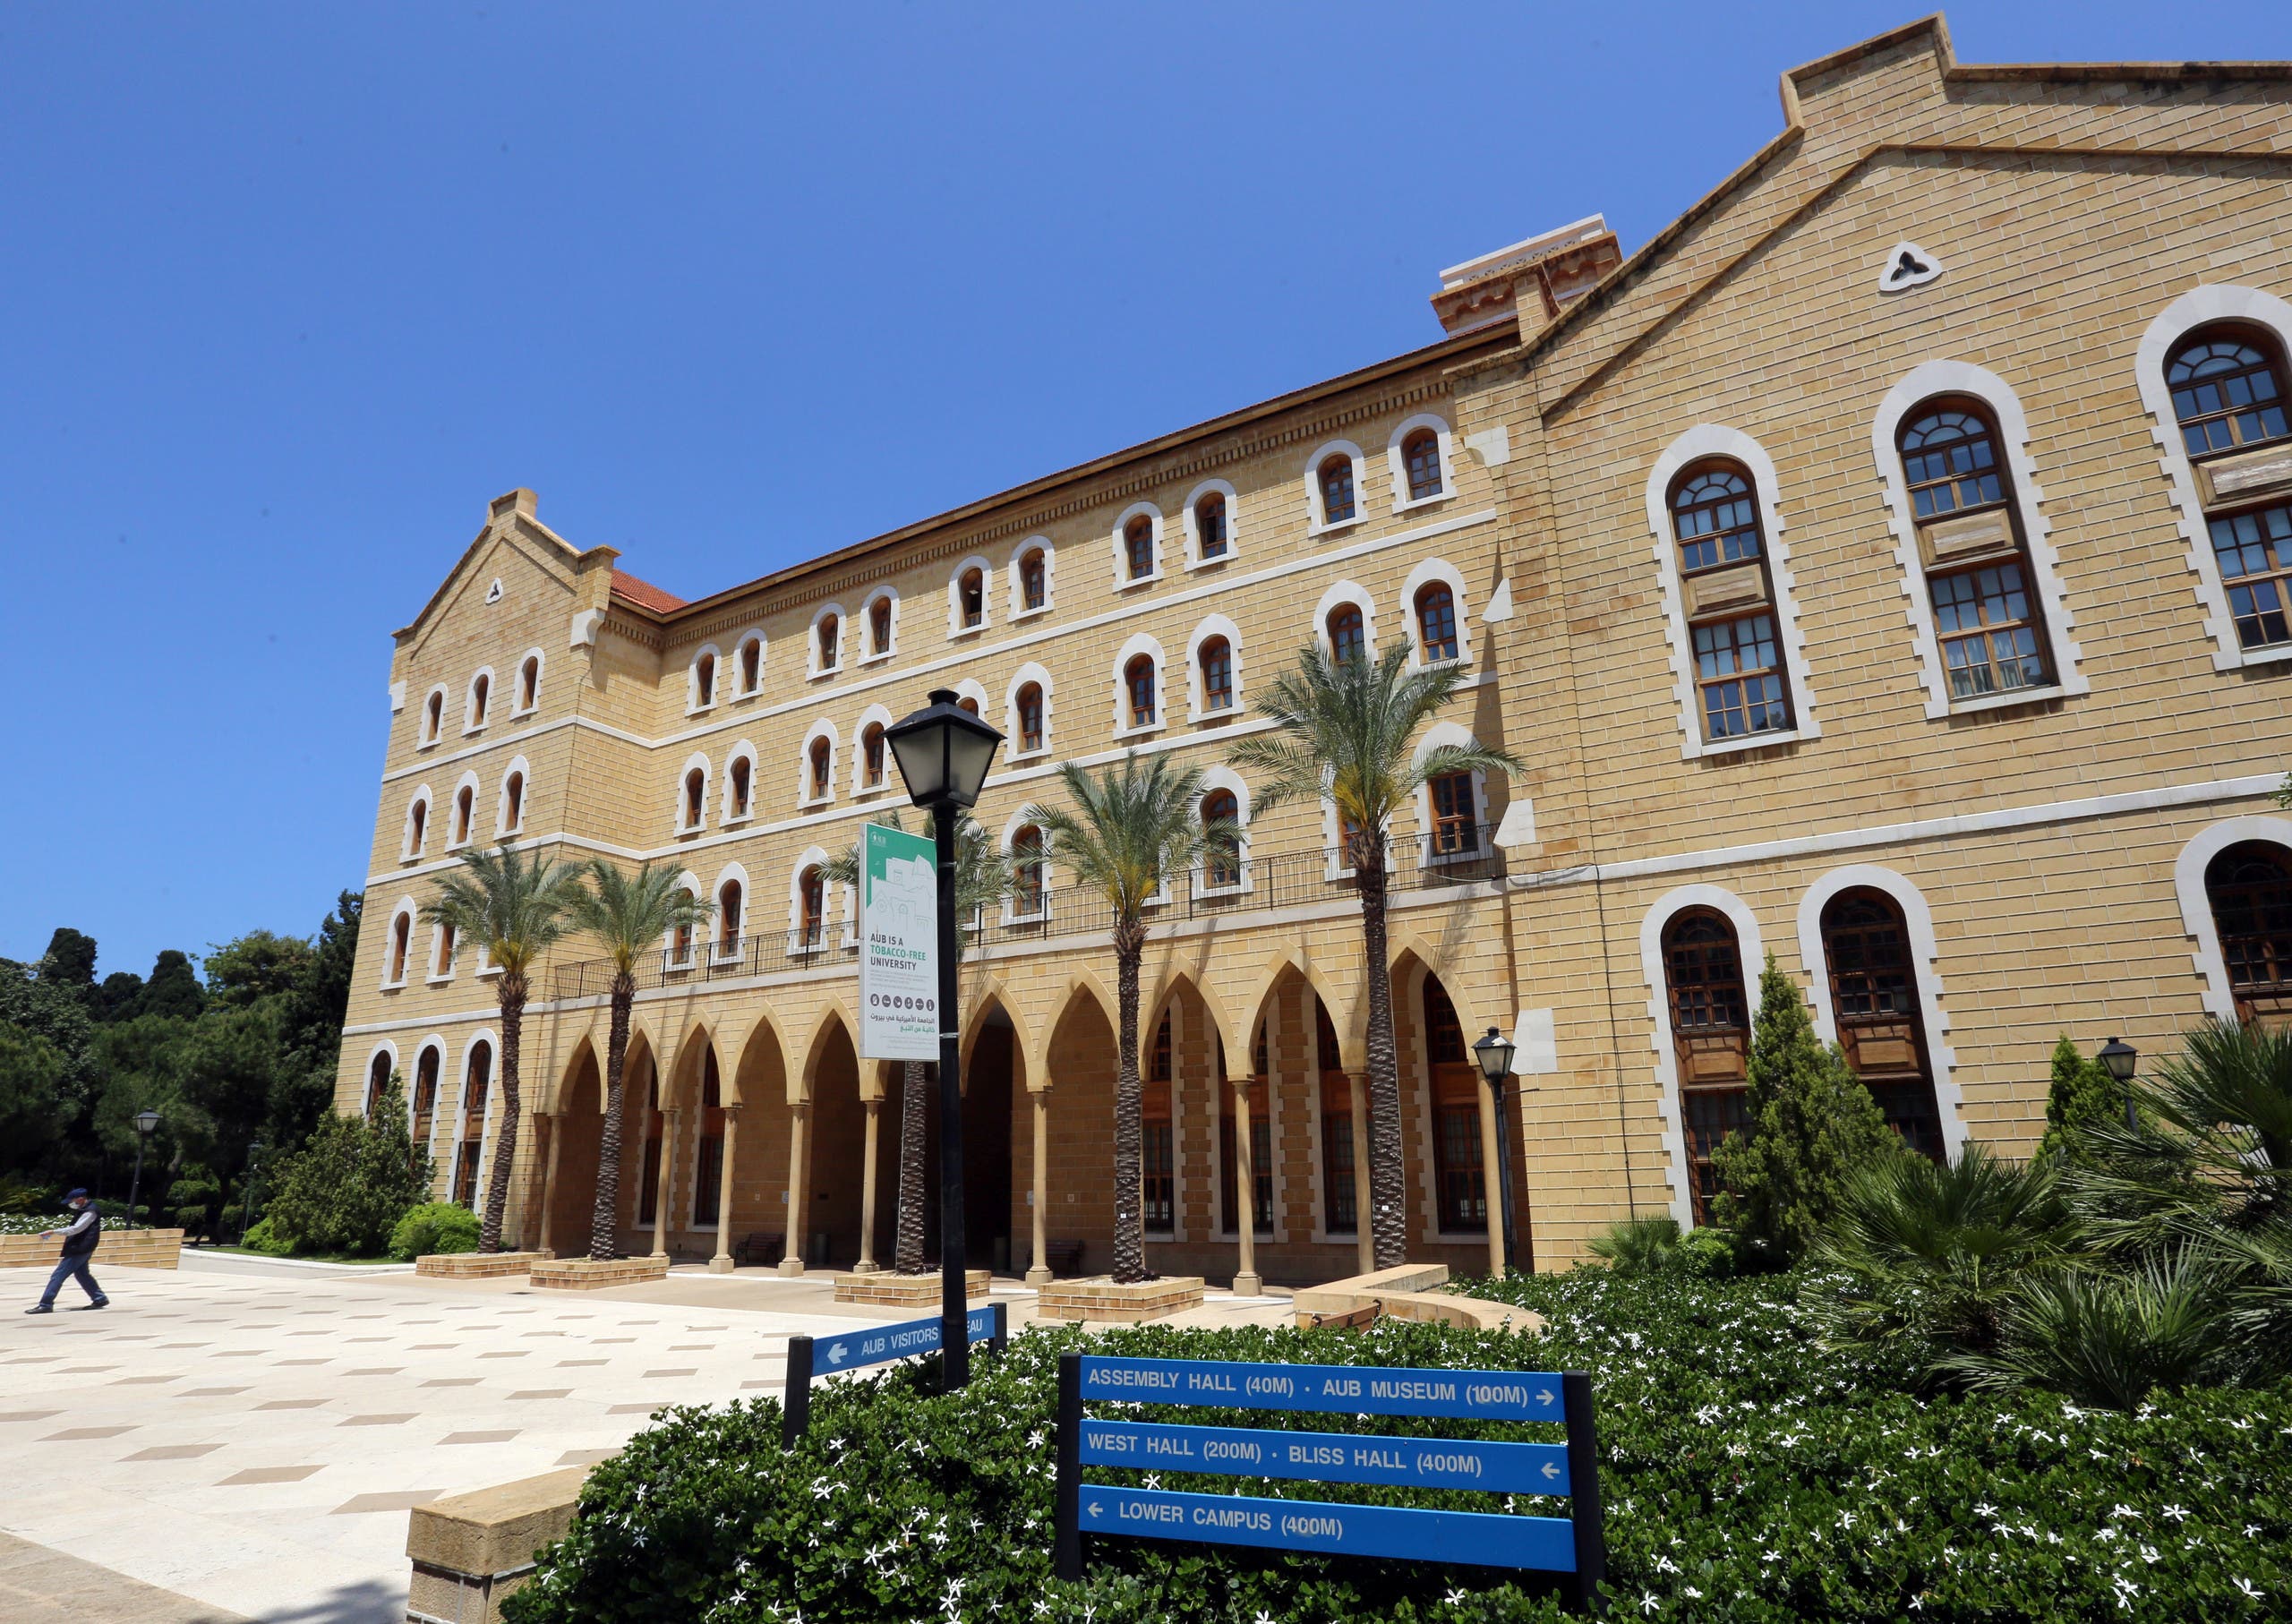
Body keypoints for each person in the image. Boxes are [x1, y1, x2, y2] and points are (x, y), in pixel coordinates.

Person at [25, 1189, 107, 1313]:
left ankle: (46, 1304)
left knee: (58, 1275)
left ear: (80, 1199)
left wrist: (54, 1231)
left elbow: (76, 1229)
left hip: (80, 1248)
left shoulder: (90, 1211)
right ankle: (99, 1298)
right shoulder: (84, 1209)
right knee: (82, 1274)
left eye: (72, 1201)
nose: (71, 1203)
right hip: (82, 1247)